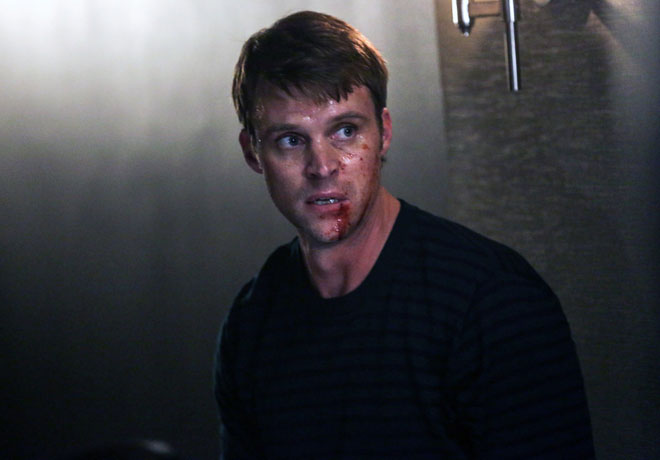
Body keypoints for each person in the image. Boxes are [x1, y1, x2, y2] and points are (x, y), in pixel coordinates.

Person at [215, 10, 594, 459]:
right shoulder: (252, 321)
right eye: (291, 140)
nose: (322, 166)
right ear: (253, 153)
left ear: (384, 133)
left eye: (345, 131)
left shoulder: (492, 300)